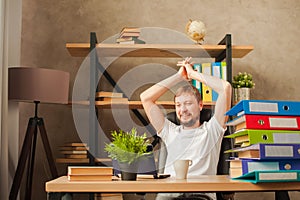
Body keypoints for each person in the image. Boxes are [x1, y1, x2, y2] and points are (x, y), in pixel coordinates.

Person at [140, 57, 232, 200]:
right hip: (169, 196)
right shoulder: (169, 131)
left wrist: (192, 74)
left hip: (199, 197)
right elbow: (145, 98)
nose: (183, 109)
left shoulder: (212, 130)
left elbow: (225, 88)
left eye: (188, 103)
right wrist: (178, 76)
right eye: (178, 105)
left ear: (200, 106)